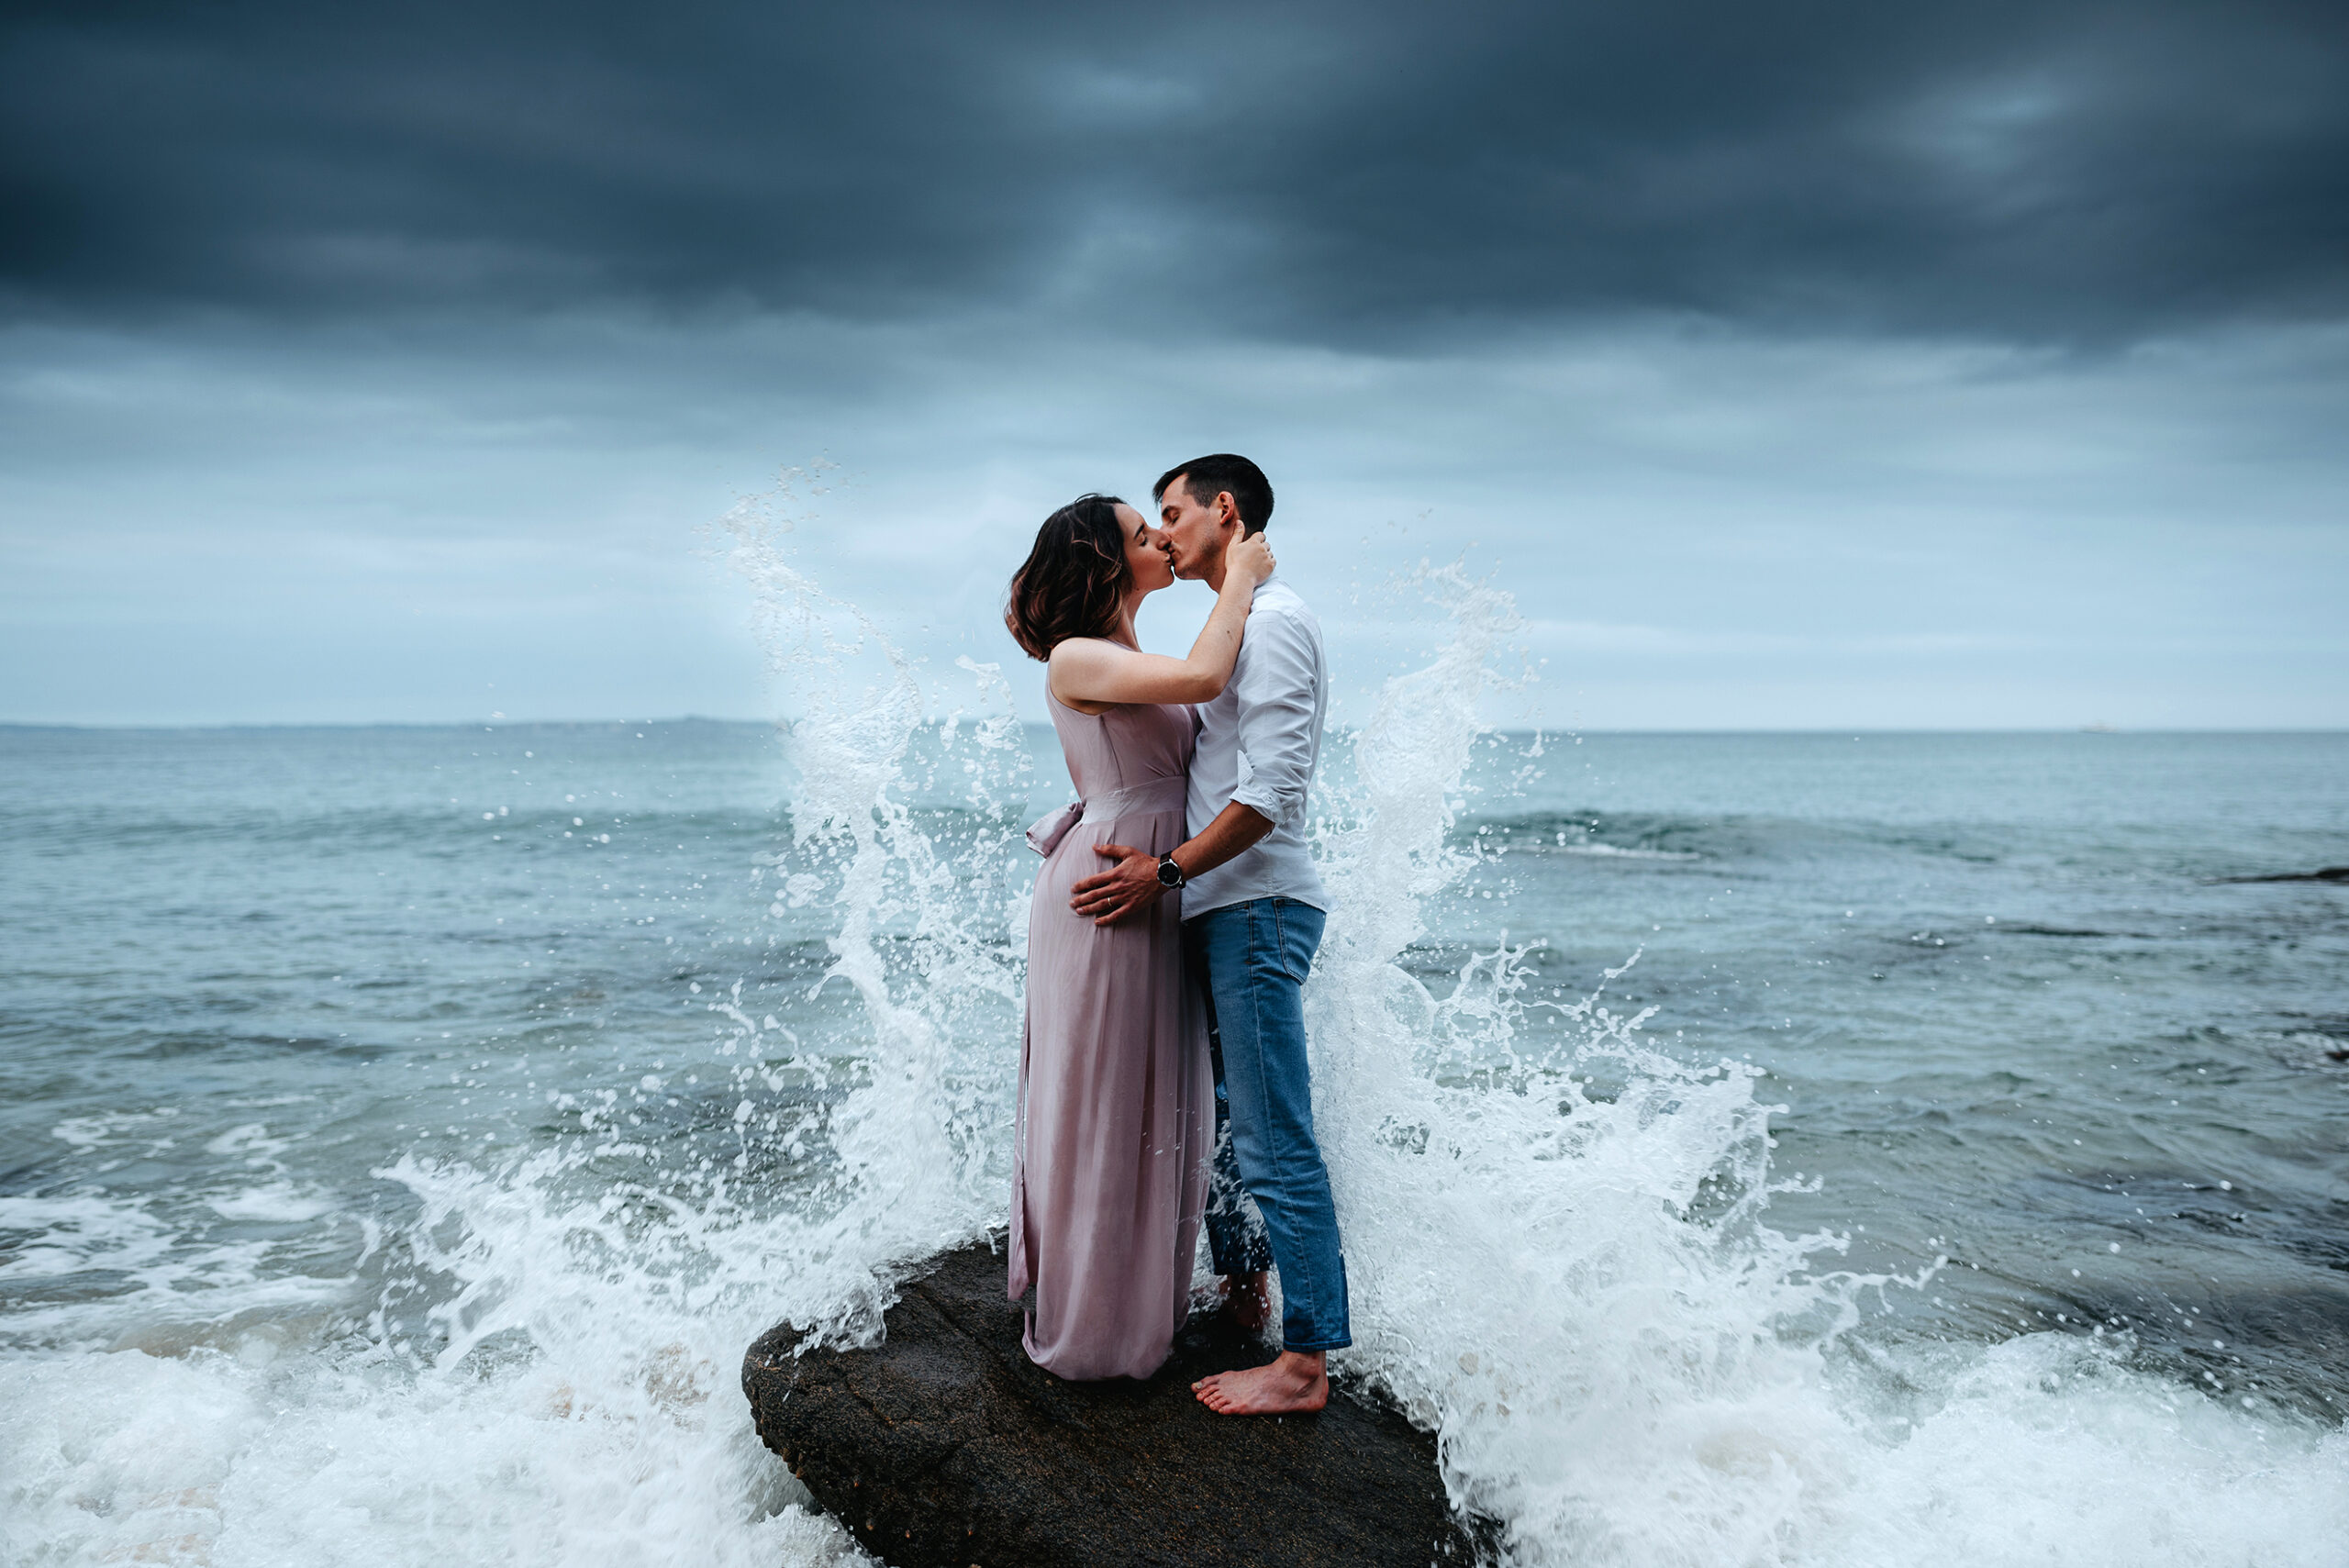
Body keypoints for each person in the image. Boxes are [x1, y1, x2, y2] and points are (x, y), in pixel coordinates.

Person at [1069, 454, 1347, 1417]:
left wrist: (1168, 869)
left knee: (1274, 1137)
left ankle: (1305, 1364)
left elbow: (1267, 794)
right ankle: (1242, 1297)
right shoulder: (1235, 621)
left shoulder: (1272, 622)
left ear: (1224, 512)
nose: (1165, 531)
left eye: (1174, 513)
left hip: (1253, 901)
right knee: (1227, 1120)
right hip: (1222, 905)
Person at [1003, 492, 1276, 1381]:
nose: (1159, 536)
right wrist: (1240, 577)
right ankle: (1093, 1328)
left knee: (1164, 1097)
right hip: (1109, 883)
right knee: (1107, 1097)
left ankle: (1149, 1300)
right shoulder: (1074, 657)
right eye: (1139, 531)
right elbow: (1204, 679)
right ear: (1103, 561)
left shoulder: (1130, 653)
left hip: (1160, 879)